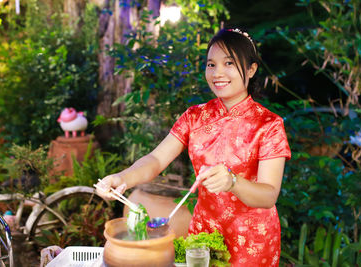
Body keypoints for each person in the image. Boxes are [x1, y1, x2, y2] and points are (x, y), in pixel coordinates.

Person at [95, 28, 291, 266]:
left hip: (252, 241)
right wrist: (121, 177)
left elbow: (269, 195)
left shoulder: (269, 124)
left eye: (229, 63)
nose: (218, 72)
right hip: (204, 234)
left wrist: (233, 182)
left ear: (251, 69)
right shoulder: (194, 117)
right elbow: (156, 160)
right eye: (211, 65)